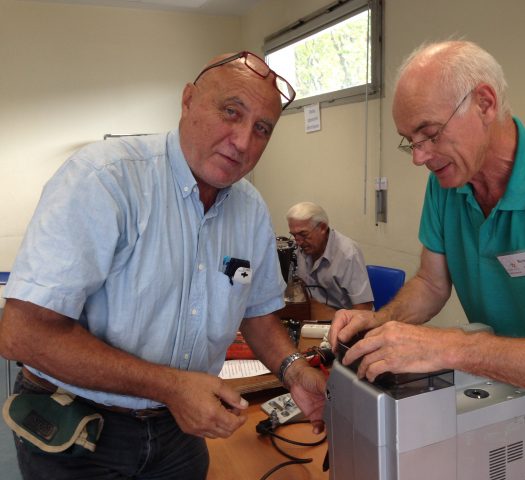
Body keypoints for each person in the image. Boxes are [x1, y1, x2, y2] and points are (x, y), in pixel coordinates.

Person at [0, 51, 326, 480]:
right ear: (188, 100)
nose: (243, 142)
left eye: (261, 129)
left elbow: (257, 315)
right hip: (80, 429)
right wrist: (172, 387)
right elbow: (22, 334)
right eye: (231, 112)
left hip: (177, 431)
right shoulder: (105, 179)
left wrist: (294, 370)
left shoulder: (249, 209)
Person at [329, 40, 525, 480]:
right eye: (409, 142)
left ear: (485, 103)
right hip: (516, 411)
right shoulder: (447, 184)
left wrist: (451, 347)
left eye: (430, 133)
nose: (419, 157)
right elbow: (432, 283)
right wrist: (381, 324)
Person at [286, 201, 374, 313]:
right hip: (311, 314)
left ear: (322, 227)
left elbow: (364, 310)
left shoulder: (348, 254)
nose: (298, 242)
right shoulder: (299, 249)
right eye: (294, 235)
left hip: (343, 320)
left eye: (304, 235)